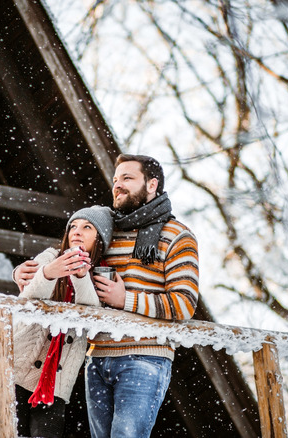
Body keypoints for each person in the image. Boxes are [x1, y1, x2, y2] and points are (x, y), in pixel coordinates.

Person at [14, 154, 199, 438]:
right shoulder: (107, 229)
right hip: (97, 356)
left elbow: (184, 304)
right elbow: (65, 251)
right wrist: (21, 273)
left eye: (127, 178)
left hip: (145, 357)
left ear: (152, 185)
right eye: (115, 180)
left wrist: (126, 300)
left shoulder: (177, 236)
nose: (118, 185)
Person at [0, 205, 114, 438]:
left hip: (55, 385)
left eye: (87, 227)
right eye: (73, 226)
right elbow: (28, 295)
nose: (76, 231)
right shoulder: (50, 257)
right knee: (8, 433)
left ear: (99, 238)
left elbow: (91, 318)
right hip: (9, 368)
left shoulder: (102, 276)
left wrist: (81, 277)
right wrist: (49, 272)